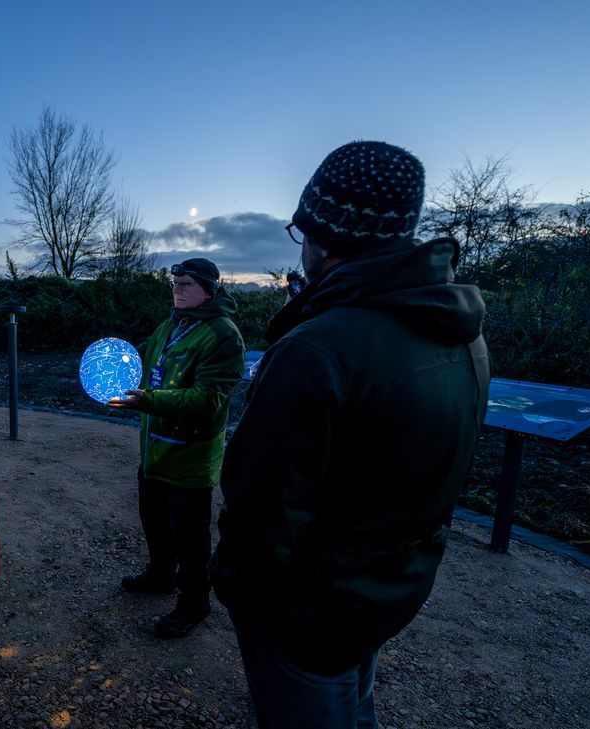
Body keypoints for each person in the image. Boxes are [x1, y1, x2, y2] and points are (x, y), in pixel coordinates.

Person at [211, 141, 490, 728]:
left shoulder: (316, 348)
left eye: (301, 232)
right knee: (353, 696)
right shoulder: (461, 333)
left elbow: (265, 503)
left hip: (309, 606)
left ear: (322, 237)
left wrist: (240, 587)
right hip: (390, 584)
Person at [109, 258, 245, 639]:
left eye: (186, 284)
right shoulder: (171, 324)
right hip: (154, 454)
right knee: (153, 520)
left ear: (208, 290)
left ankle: (194, 604)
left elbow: (207, 400)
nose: (177, 290)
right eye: (175, 283)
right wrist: (113, 369)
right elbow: (144, 362)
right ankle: (160, 575)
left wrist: (147, 401)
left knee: (191, 539)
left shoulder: (223, 335)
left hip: (189, 458)